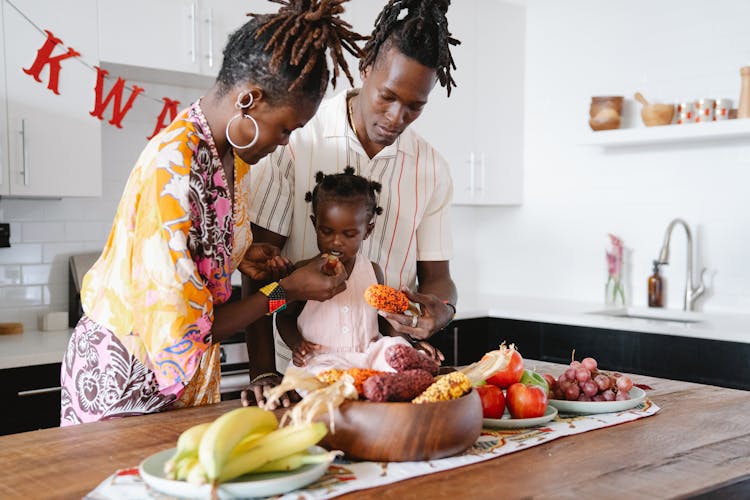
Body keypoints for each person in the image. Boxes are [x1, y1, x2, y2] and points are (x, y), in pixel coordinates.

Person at [59, 0, 365, 425]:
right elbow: (194, 328)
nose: (283, 142)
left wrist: (242, 254)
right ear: (248, 100)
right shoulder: (174, 171)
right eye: (285, 128)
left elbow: (200, 251)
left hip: (183, 380)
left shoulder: (231, 158)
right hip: (125, 385)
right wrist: (287, 290)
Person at [243, 0, 460, 406]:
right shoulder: (295, 139)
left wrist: (441, 312)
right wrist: (262, 371)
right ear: (365, 67)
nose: (397, 117)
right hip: (306, 380)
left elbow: (438, 279)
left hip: (384, 376)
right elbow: (259, 274)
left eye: (415, 107)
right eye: (387, 97)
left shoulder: (432, 169)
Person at [276, 168, 417, 375]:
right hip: (319, 365)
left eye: (349, 234)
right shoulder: (302, 272)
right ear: (315, 224)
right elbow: (282, 316)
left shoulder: (373, 272)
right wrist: (296, 344)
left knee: (396, 356)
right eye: (326, 231)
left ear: (367, 231)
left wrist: (410, 345)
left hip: (365, 365)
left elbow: (384, 321)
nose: (336, 242)